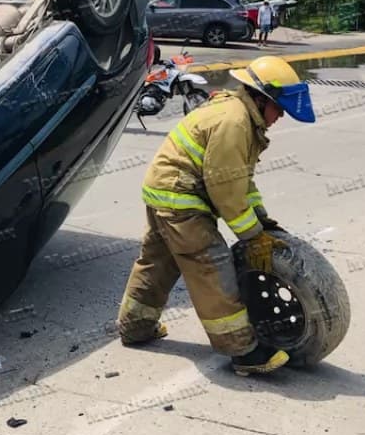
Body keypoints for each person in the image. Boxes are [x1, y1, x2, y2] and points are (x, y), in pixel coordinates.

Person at [117, 55, 316, 376]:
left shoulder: (239, 114)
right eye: (279, 109)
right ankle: (244, 352)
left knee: (158, 263)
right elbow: (226, 189)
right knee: (211, 265)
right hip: (181, 199)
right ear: (263, 98)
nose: (281, 116)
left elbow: (242, 182)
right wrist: (252, 238)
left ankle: (135, 327)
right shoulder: (234, 123)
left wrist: (262, 222)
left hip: (163, 192)